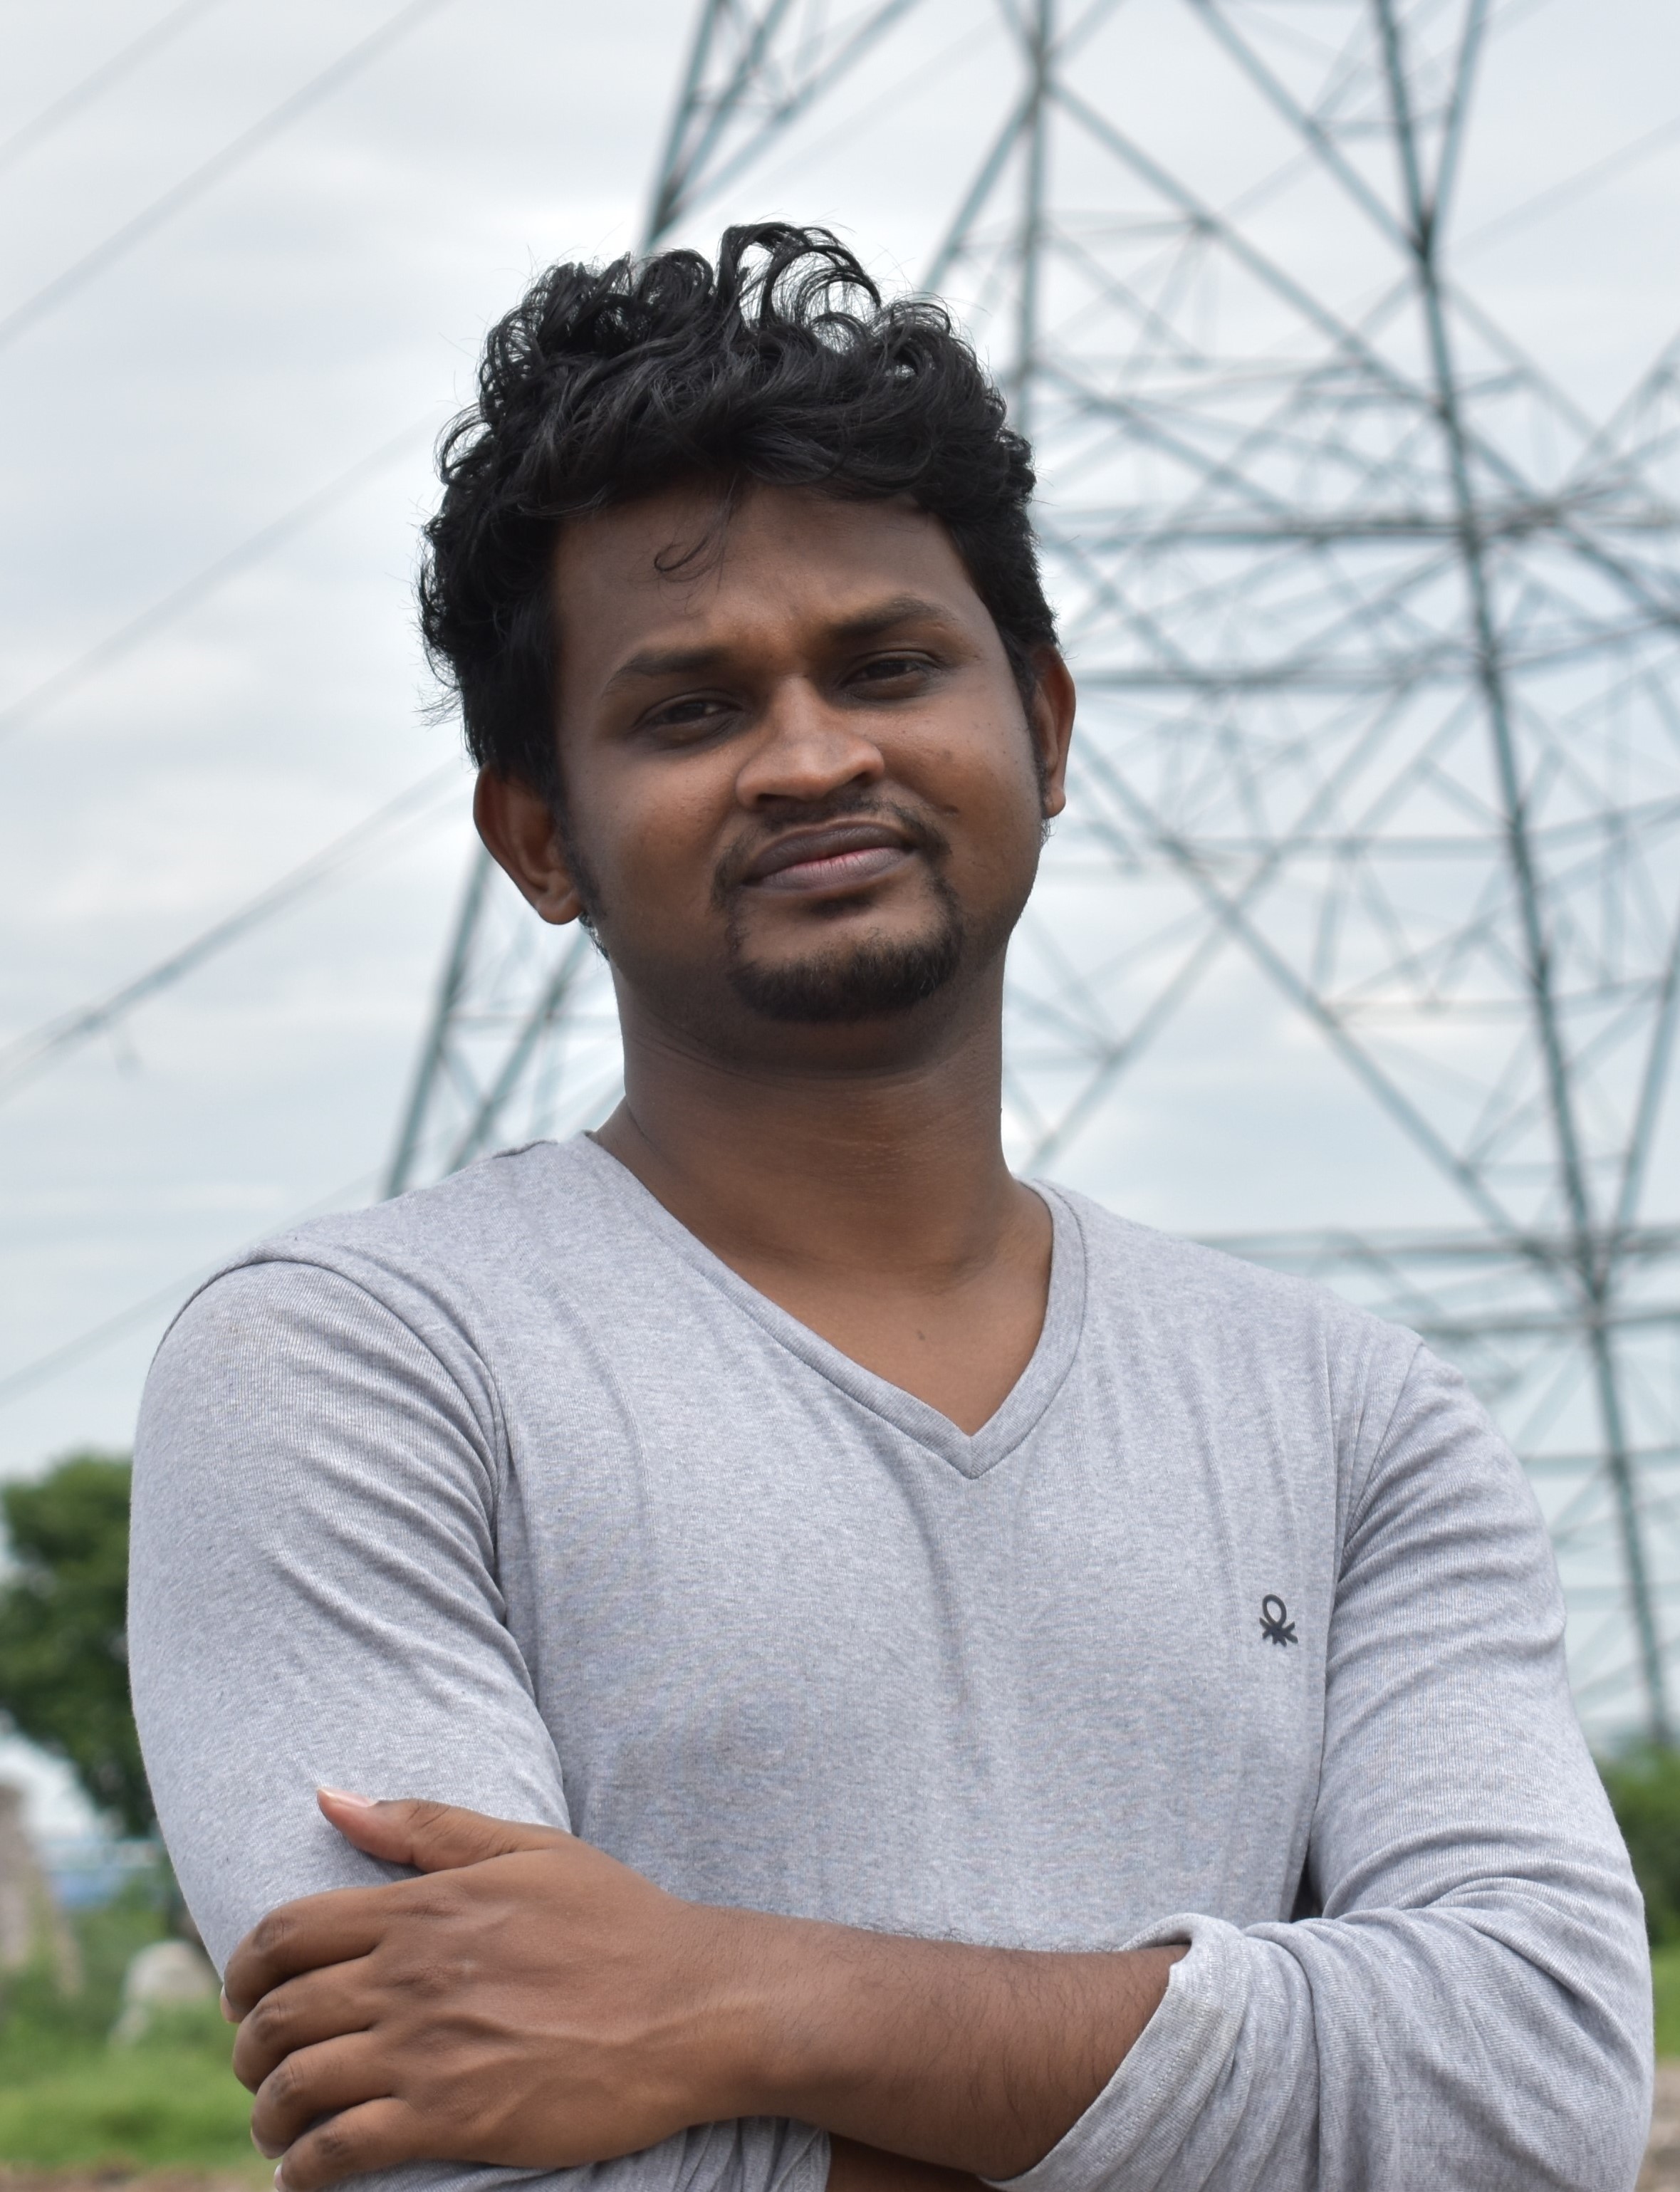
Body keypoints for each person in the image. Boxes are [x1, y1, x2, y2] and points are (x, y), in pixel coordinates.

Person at [128, 224, 1651, 2192]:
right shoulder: (356, 1372)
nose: (814, 756)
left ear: (1047, 727)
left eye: (889, 667)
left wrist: (732, 2000)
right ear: (538, 839)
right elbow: (466, 2151)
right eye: (688, 710)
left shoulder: (1356, 1423)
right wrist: (1253, 2118)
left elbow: (1538, 2090)